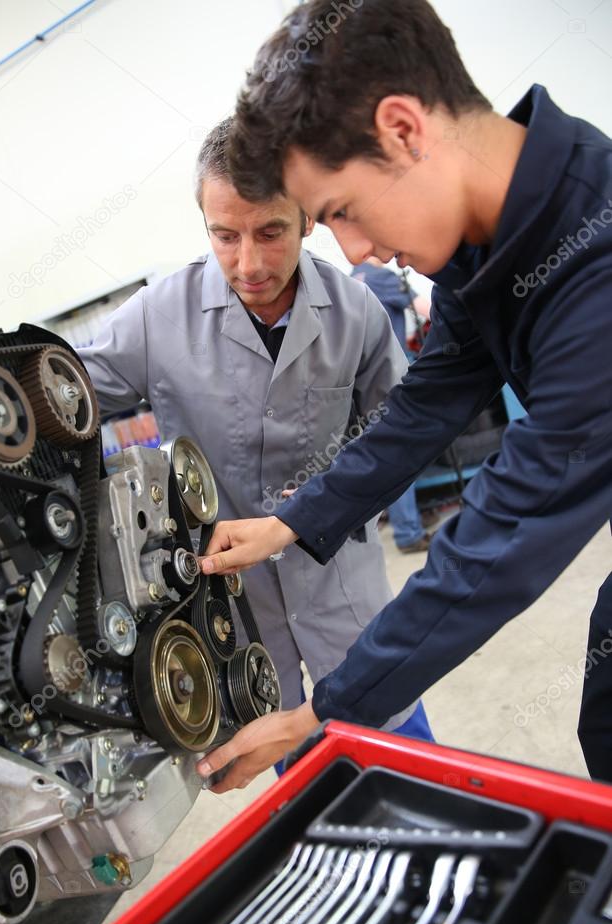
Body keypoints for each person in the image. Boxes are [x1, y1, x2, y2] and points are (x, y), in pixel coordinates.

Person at [194, 0, 612, 791]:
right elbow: (421, 409)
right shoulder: (489, 241)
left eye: (342, 212)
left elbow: (500, 538)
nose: (354, 251)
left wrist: (324, 711)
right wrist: (292, 519)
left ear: (403, 129)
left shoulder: (597, 267)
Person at [79, 117, 432, 743]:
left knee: (402, 758)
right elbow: (65, 394)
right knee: (299, 786)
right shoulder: (159, 316)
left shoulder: (357, 315)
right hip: (234, 609)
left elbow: (401, 440)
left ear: (308, 218)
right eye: (224, 235)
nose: (248, 263)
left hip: (340, 586)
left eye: (271, 232)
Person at [352, 257, 430, 553]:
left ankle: (392, 520)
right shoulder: (382, 277)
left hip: (358, 383)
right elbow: (427, 309)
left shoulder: (351, 278)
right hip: (388, 378)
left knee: (377, 451)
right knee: (399, 450)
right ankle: (409, 532)